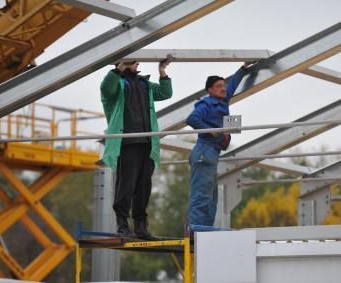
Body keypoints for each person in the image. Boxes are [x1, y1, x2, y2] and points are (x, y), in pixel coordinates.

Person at [100, 57, 173, 240]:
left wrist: (162, 70)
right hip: (127, 142)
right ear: (122, 63)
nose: (138, 64)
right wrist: (119, 68)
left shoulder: (144, 84)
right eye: (134, 61)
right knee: (126, 185)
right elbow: (106, 88)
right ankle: (122, 224)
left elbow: (165, 93)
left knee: (143, 187)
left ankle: (141, 226)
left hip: (147, 143)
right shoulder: (117, 85)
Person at [186, 62, 253, 228]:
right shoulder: (206, 103)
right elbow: (192, 119)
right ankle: (195, 232)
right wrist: (210, 130)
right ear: (210, 90)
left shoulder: (223, 101)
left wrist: (244, 68)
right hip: (204, 151)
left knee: (211, 199)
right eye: (219, 86)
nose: (223, 89)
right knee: (202, 196)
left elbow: (232, 85)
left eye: (223, 85)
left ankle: (205, 231)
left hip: (212, 153)